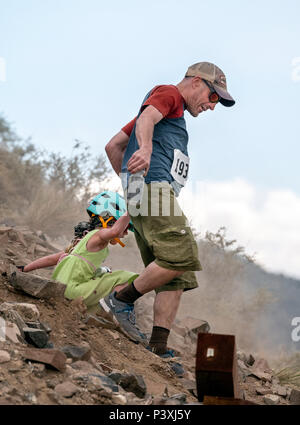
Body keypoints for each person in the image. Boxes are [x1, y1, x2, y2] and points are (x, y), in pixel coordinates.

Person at [102, 62, 235, 357]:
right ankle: (120, 300)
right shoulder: (169, 95)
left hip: (148, 195)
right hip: (155, 190)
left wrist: (132, 199)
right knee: (183, 254)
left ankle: (158, 347)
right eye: (213, 98)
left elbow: (114, 147)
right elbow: (147, 119)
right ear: (197, 82)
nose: (212, 107)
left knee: (176, 275)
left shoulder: (174, 118)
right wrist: (146, 151)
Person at [19, 191, 142, 328]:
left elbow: (51, 259)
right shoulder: (99, 235)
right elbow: (114, 232)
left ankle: (99, 313)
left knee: (104, 273)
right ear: (110, 220)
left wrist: (25, 268)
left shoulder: (79, 245)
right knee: (127, 277)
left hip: (60, 288)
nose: (125, 233)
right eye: (125, 228)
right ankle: (114, 314)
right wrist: (130, 210)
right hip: (73, 290)